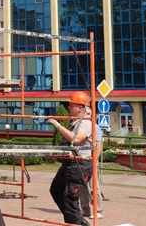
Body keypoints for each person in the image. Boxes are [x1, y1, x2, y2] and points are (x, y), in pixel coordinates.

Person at [47, 92, 94, 226]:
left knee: (70, 199)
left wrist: (58, 125)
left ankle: (76, 223)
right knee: (56, 190)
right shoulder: (77, 122)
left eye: (71, 105)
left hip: (79, 166)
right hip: (70, 165)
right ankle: (78, 222)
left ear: (80, 107)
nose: (68, 107)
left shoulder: (85, 123)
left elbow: (77, 139)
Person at [79, 107, 103, 220]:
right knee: (82, 186)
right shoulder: (81, 126)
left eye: (89, 113)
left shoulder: (95, 128)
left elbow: (99, 146)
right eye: (86, 113)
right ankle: (85, 210)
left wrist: (94, 160)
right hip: (81, 161)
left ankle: (98, 210)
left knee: (94, 187)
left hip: (91, 161)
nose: (87, 115)